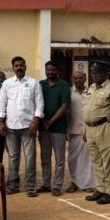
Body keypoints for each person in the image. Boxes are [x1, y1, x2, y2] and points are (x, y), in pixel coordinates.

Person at [0, 56, 44, 197]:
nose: (19, 68)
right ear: (13, 68)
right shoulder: (7, 83)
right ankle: (13, 185)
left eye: (21, 65)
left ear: (25, 66)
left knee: (30, 157)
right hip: (11, 126)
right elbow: (1, 103)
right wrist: (0, 121)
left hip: (28, 126)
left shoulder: (33, 83)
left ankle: (30, 186)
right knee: (13, 156)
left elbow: (40, 103)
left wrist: (36, 120)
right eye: (16, 66)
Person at [83, 61, 110, 206]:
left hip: (105, 127)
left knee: (109, 162)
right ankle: (101, 188)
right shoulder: (91, 88)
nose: (95, 75)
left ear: (106, 73)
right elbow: (88, 110)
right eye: (93, 72)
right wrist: (85, 130)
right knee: (97, 161)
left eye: (98, 72)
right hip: (90, 128)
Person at [38, 61, 72, 196]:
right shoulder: (40, 84)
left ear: (57, 70)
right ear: (45, 70)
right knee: (45, 158)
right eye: (48, 70)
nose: (50, 72)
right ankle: (46, 184)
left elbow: (65, 107)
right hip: (43, 128)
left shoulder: (64, 85)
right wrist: (42, 122)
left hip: (59, 128)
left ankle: (57, 186)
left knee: (59, 159)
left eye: (53, 69)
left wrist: (50, 121)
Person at [66, 71, 96, 192]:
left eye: (81, 78)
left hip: (89, 130)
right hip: (73, 130)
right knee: (73, 159)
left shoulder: (91, 92)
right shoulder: (68, 92)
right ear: (72, 79)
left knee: (88, 159)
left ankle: (87, 184)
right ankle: (74, 183)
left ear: (85, 79)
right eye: (76, 78)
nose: (78, 80)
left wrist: (88, 130)